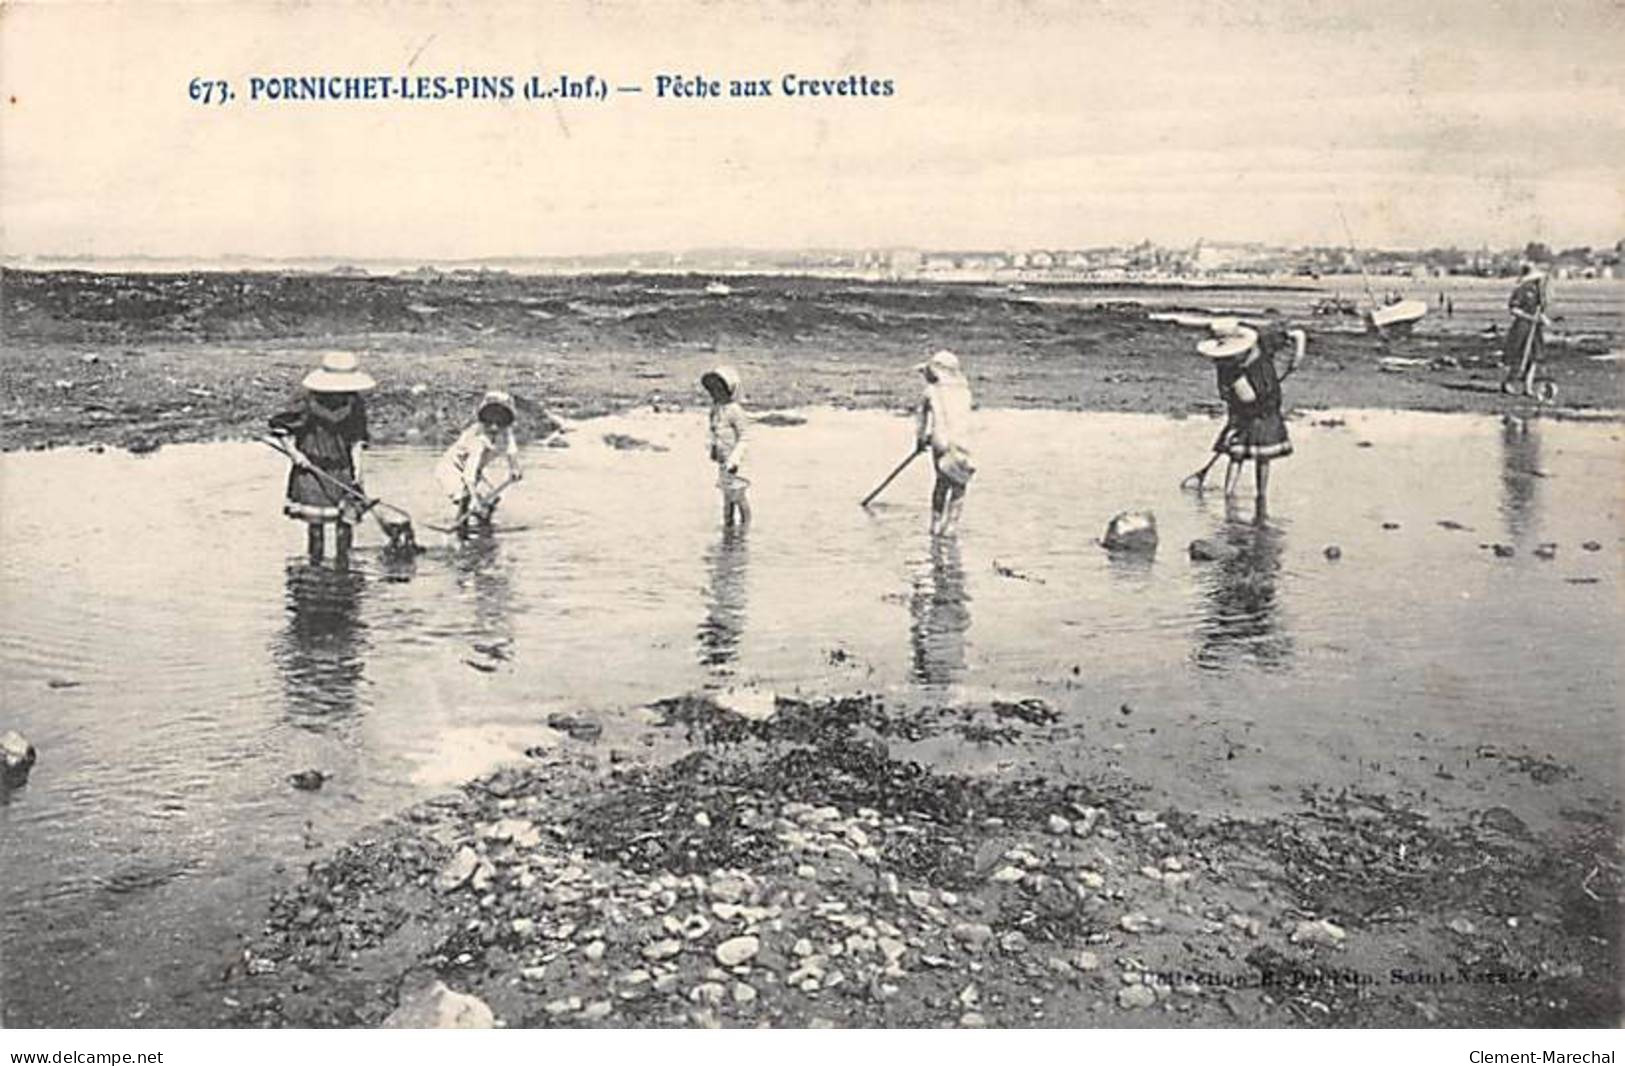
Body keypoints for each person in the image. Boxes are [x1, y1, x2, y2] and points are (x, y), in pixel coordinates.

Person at [269, 350, 374, 560]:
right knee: (316, 529)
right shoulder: (306, 402)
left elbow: (356, 439)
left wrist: (358, 470)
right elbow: (281, 429)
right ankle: (315, 566)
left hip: (342, 467)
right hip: (312, 468)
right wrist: (294, 453)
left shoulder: (354, 403)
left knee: (346, 523)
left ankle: (343, 569)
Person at [1196, 323, 1305, 509]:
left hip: (1267, 411)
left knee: (1263, 456)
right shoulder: (1227, 369)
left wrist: (1297, 359)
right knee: (1235, 453)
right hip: (1241, 411)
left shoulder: (1263, 344)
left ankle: (1261, 498)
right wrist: (1234, 425)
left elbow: (1298, 334)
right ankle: (1228, 496)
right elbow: (1238, 399)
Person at [435, 390, 523, 533]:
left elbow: (511, 451)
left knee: (490, 502)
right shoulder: (477, 439)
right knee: (467, 500)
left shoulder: (506, 431)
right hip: (452, 469)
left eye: (500, 421)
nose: (494, 427)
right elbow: (468, 475)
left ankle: (485, 536)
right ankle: (461, 531)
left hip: (477, 471)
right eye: (489, 421)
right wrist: (474, 498)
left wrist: (515, 468)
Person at [915, 349, 975, 536]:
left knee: (941, 483)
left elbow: (921, 418)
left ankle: (934, 525)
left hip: (939, 440)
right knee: (959, 487)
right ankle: (950, 528)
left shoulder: (931, 391)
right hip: (961, 441)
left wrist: (920, 440)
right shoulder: (965, 392)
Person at [701, 366, 751, 528]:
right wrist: (713, 449)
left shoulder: (735, 411)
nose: (715, 394)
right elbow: (713, 430)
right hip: (723, 460)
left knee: (738, 496)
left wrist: (734, 460)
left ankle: (744, 527)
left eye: (719, 390)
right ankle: (729, 526)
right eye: (712, 391)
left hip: (736, 461)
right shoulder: (716, 409)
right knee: (727, 497)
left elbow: (744, 437)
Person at [1501, 265, 1550, 395]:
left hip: (1534, 328)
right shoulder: (1521, 290)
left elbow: (1539, 309)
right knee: (1519, 355)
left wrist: (1542, 318)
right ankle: (1509, 382)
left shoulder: (1539, 293)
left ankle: (1528, 386)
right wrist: (1530, 317)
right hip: (1522, 327)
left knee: (1534, 357)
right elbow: (1514, 309)